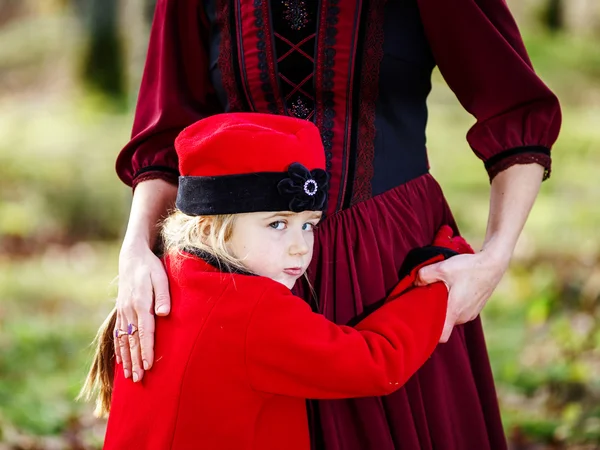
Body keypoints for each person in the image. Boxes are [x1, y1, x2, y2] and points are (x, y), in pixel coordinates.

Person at [114, 1, 562, 448]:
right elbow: (166, 137)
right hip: (235, 260)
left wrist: (494, 258)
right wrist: (135, 250)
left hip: (388, 268)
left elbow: (514, 106)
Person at [83, 113, 472, 450]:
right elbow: (376, 362)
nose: (300, 247)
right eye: (277, 224)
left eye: (309, 225)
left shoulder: (166, 278)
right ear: (208, 226)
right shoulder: (251, 307)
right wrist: (435, 282)